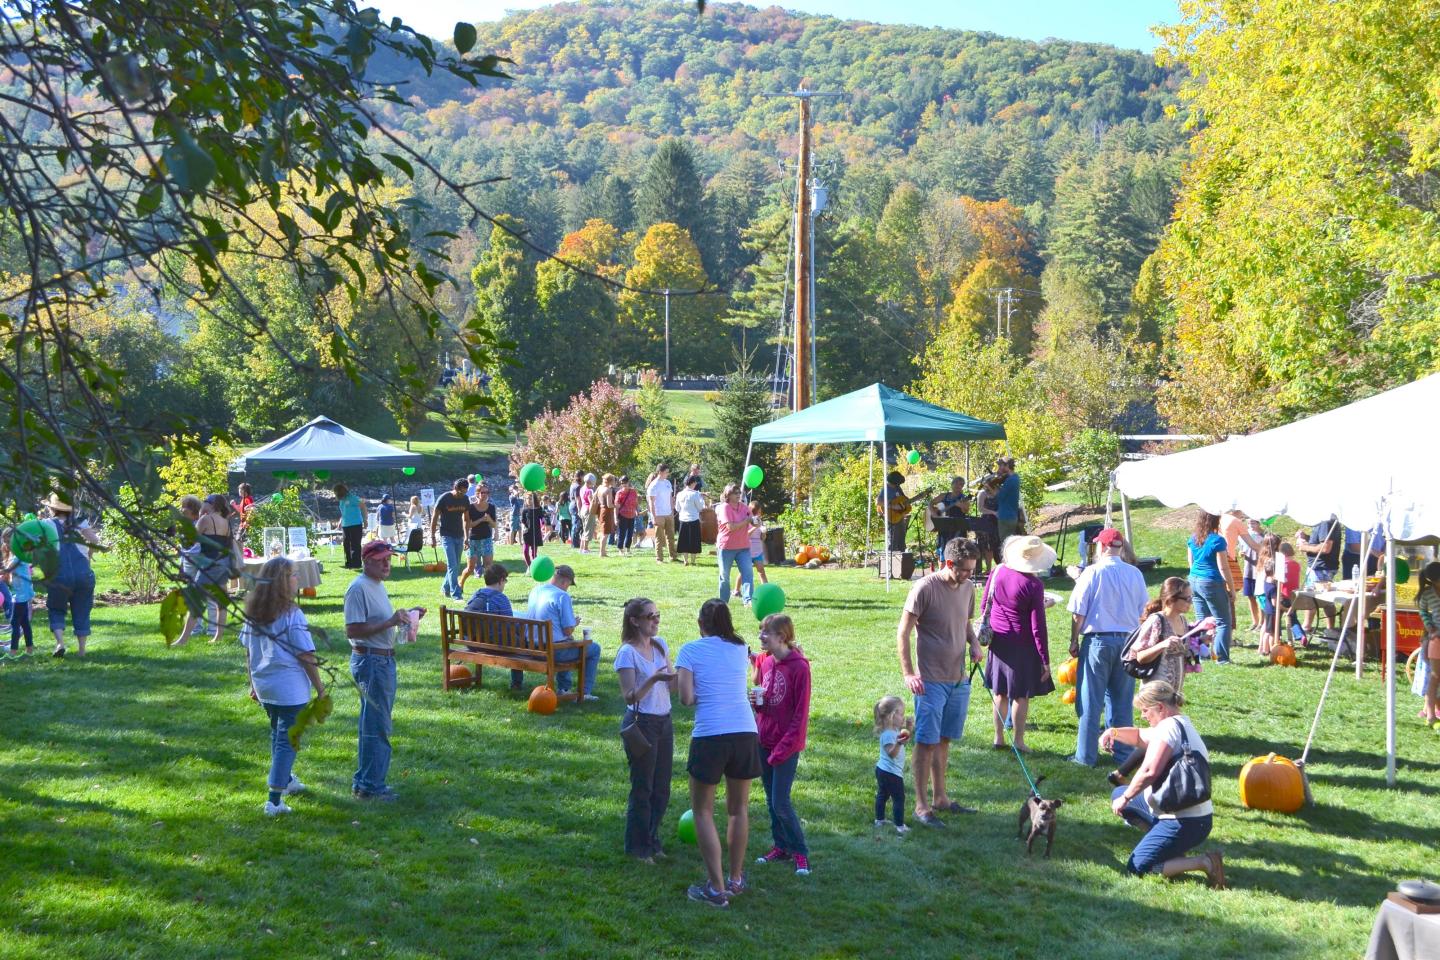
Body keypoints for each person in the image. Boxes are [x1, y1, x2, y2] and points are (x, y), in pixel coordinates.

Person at [677, 599, 762, 907]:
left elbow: (686, 698)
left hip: (710, 734)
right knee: (738, 809)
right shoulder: (741, 648)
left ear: (701, 624)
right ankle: (735, 879)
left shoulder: (690, 650)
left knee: (702, 811)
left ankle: (715, 889)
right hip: (745, 731)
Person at [1103, 681, 1224, 888]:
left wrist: (1127, 797)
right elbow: (1139, 736)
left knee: (1138, 867)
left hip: (1185, 822)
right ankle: (1167, 848)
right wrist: (1113, 732)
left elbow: (1150, 771)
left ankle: (1204, 862)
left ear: (1160, 707)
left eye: (1145, 710)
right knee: (1118, 793)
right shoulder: (1178, 723)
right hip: (1186, 815)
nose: (1143, 716)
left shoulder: (1167, 729)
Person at [896, 537, 981, 826]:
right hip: (930, 680)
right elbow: (903, 632)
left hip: (958, 680)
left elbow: (965, 622)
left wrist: (974, 643)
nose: (968, 574)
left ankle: (940, 798)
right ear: (948, 563)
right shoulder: (924, 588)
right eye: (964, 569)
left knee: (944, 739)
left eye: (972, 569)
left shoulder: (968, 588)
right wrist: (909, 673)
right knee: (926, 741)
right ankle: (921, 806)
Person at [240, 556, 325, 816]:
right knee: (287, 741)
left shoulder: (253, 612)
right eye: (294, 575)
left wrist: (253, 684)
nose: (298, 579)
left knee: (278, 735)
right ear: (281, 582)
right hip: (289, 689)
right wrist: (321, 689)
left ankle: (286, 780)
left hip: (265, 685)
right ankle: (274, 800)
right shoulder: (292, 615)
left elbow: (248, 652)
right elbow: (306, 655)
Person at [346, 540, 423, 801]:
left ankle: (365, 782)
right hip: (371, 663)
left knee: (374, 723)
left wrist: (409, 616)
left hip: (381, 661)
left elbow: (378, 623)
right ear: (367, 561)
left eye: (389, 559)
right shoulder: (358, 589)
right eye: (381, 560)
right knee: (376, 726)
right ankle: (370, 787)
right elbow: (352, 630)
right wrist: (390, 621)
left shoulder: (376, 585)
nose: (387, 564)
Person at [1066, 527, 1149, 767]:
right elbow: (1143, 610)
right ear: (1120, 548)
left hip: (1098, 641)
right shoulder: (1135, 573)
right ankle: (1123, 753)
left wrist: (1074, 640)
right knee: (1122, 700)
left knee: (1090, 700)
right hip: (1128, 641)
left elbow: (1078, 612)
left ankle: (1085, 756)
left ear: (1101, 547)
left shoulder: (1092, 572)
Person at [615, 596, 678, 862]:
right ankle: (637, 847)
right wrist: (653, 679)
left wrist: (682, 676)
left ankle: (652, 839)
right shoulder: (627, 653)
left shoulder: (660, 644)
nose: (656, 620)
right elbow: (629, 696)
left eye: (657, 615)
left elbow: (672, 687)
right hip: (642, 724)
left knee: (661, 788)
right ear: (634, 621)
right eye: (650, 616)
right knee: (643, 787)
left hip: (664, 721)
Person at [752, 613, 812, 876]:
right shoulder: (766, 662)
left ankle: (800, 853)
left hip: (786, 745)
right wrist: (758, 705)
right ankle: (781, 846)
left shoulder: (800, 668)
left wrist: (784, 747)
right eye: (761, 631)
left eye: (766, 632)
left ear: (782, 636)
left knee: (781, 802)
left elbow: (800, 714)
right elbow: (769, 701)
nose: (761, 636)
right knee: (770, 800)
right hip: (764, 739)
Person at [984, 535, 1056, 754]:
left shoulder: (998, 571)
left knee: (1000, 692)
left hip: (999, 641)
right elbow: (1037, 627)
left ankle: (998, 738)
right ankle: (1018, 741)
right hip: (1022, 645)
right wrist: (1044, 659)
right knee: (1020, 694)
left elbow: (984, 603)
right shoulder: (1034, 585)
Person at [526, 564, 601, 701]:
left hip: (531, 648)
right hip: (552, 652)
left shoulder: (536, 590)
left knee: (567, 641)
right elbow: (567, 630)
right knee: (594, 648)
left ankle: (565, 688)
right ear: (565, 581)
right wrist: (574, 624)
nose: (568, 588)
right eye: (569, 585)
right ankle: (584, 692)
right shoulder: (562, 596)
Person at [175, 494, 233, 648]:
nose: (203, 503)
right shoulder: (226, 522)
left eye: (206, 501)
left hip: (209, 564)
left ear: (212, 504)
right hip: (223, 563)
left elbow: (190, 541)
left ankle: (183, 640)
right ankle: (217, 637)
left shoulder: (205, 519)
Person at [1186, 511, 1235, 663]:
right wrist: (1231, 589)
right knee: (1222, 621)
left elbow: (1191, 563)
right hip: (1211, 581)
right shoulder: (1217, 540)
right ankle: (1222, 658)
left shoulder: (1193, 538)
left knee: (1202, 620)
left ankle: (1202, 654)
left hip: (1194, 580)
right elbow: (1223, 567)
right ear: (1216, 521)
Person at [1297, 515, 1344, 633]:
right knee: (1326, 599)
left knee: (1313, 597)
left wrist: (1304, 547)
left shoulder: (1325, 522)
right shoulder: (1325, 521)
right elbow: (1321, 541)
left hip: (1321, 567)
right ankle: (1330, 628)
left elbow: (1326, 548)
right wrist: (1307, 537)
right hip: (1322, 567)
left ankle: (1307, 626)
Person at [873, 695, 911, 834]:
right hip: (891, 773)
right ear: (891, 716)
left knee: (883, 795)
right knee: (899, 798)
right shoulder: (888, 735)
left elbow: (903, 741)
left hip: (884, 770)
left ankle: (879, 820)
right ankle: (900, 826)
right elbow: (892, 753)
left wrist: (908, 729)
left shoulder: (893, 731)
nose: (903, 717)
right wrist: (899, 743)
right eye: (901, 714)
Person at [429, 478, 470, 602]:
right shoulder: (444, 498)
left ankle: (445, 588)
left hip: (459, 535)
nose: (462, 494)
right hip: (446, 535)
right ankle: (456, 594)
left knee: (455, 565)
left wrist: (466, 537)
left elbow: (466, 519)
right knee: (452, 564)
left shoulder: (465, 499)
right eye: (461, 492)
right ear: (455, 488)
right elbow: (434, 517)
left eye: (465, 492)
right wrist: (432, 537)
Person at [457, 484, 498, 596]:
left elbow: (494, 525)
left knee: (488, 567)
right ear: (477, 494)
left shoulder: (491, 507)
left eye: (486, 492)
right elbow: (468, 525)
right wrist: (481, 519)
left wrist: (489, 519)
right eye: (482, 492)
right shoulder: (470, 507)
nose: (484, 495)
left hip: (487, 539)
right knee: (470, 568)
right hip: (473, 540)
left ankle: (489, 589)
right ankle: (460, 583)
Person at [716, 484, 753, 605]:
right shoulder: (724, 508)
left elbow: (751, 520)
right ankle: (723, 603)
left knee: (748, 573)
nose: (738, 495)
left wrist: (756, 522)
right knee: (724, 576)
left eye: (739, 493)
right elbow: (731, 527)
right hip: (726, 547)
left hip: (743, 547)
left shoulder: (744, 507)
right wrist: (746, 521)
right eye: (735, 493)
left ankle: (748, 600)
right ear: (728, 495)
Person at [1, 528, 35, 658]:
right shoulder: (19, 555)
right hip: (22, 593)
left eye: (8, 541)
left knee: (15, 622)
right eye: (5, 542)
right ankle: (29, 649)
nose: (6, 545)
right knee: (24, 622)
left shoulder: (19, 557)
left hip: (21, 595)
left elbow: (6, 570)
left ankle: (13, 651)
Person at [1416, 561, 1440, 723]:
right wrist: (1429, 626)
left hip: (1436, 637)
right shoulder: (1427, 594)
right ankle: (1430, 714)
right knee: (1435, 676)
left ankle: (1431, 711)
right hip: (1436, 639)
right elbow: (1422, 611)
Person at [647, 463, 677, 562]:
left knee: (671, 537)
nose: (668, 474)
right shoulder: (653, 485)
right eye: (666, 472)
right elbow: (651, 502)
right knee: (659, 538)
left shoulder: (667, 483)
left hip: (668, 513)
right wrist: (654, 516)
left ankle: (673, 557)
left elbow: (670, 497)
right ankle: (659, 559)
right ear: (660, 472)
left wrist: (672, 510)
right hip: (658, 514)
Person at [972, 474, 1002, 572]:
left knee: (999, 545)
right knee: (988, 546)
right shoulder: (983, 493)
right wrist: (993, 512)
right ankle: (989, 569)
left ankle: (1001, 567)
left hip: (999, 521)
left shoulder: (999, 491)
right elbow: (981, 509)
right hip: (987, 520)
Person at [876, 471, 911, 553]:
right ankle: (892, 557)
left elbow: (903, 498)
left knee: (901, 539)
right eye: (897, 483)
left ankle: (902, 556)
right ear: (894, 482)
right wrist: (892, 506)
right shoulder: (886, 489)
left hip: (899, 516)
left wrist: (907, 502)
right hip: (890, 517)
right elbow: (878, 502)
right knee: (892, 540)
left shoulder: (897, 487)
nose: (898, 485)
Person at [675, 475, 705, 567]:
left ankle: (685, 560)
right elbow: (700, 508)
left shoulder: (679, 494)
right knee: (694, 541)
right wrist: (702, 499)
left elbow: (677, 508)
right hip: (693, 519)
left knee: (684, 540)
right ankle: (693, 561)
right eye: (695, 482)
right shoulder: (695, 494)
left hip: (683, 519)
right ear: (693, 483)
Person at [335, 483, 364, 569]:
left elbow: (363, 506)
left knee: (355, 544)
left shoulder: (353, 498)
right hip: (345, 525)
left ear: (341, 491)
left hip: (356, 524)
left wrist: (365, 520)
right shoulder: (341, 500)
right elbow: (344, 512)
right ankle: (348, 563)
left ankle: (357, 563)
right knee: (346, 544)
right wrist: (340, 521)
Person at [994, 457, 1022, 542]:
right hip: (1012, 515)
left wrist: (990, 487)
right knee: (1011, 542)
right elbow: (1006, 493)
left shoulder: (1010, 480)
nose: (999, 468)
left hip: (1005, 517)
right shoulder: (1015, 477)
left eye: (1001, 465)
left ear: (1007, 466)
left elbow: (1000, 497)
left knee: (1005, 543)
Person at [745, 502, 768, 587]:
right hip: (747, 551)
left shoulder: (760, 521)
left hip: (758, 551)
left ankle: (766, 589)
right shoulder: (747, 521)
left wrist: (764, 533)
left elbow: (762, 538)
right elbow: (746, 535)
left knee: (761, 571)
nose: (759, 514)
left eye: (760, 512)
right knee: (744, 572)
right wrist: (755, 527)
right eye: (757, 512)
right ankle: (736, 590)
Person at [615, 476, 639, 556]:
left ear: (628, 482)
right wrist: (615, 518)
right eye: (622, 483)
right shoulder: (619, 493)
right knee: (622, 533)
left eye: (625, 482)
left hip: (632, 515)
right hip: (622, 515)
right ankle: (620, 549)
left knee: (630, 533)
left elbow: (636, 502)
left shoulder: (633, 491)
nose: (623, 484)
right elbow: (616, 507)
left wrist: (637, 511)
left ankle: (628, 548)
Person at [520, 489, 546, 565]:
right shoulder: (525, 510)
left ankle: (534, 566)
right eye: (527, 499)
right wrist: (523, 527)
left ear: (534, 499)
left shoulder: (539, 509)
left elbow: (542, 518)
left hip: (535, 533)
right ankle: (529, 566)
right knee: (525, 551)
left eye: (530, 498)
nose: (529, 500)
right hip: (527, 532)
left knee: (534, 553)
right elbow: (523, 521)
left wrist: (543, 521)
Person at [595, 474, 617, 558]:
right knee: (605, 533)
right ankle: (601, 553)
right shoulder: (608, 490)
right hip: (607, 512)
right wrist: (617, 506)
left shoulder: (600, 488)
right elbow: (609, 505)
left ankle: (603, 552)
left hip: (601, 510)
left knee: (603, 532)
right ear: (610, 481)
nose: (614, 482)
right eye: (613, 480)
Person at [567, 470, 586, 549]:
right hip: (575, 506)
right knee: (576, 525)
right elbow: (578, 499)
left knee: (576, 524)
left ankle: (576, 542)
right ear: (580, 476)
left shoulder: (573, 485)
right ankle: (575, 544)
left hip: (572, 505)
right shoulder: (577, 486)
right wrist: (579, 510)